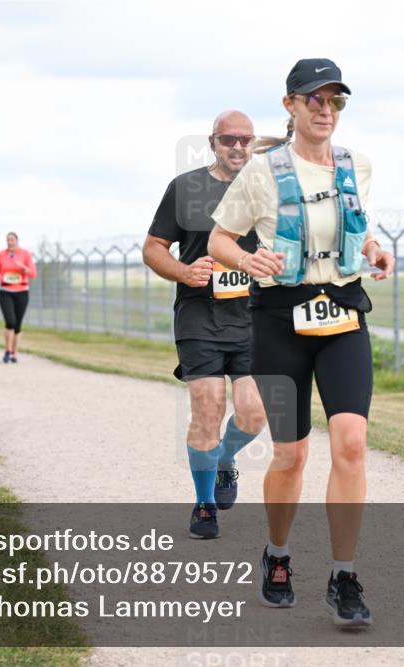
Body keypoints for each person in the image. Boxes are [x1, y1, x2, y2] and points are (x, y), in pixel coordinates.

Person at [209, 59, 395, 626]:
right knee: (291, 453)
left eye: (335, 100)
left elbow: (353, 230)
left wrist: (374, 251)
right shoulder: (262, 173)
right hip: (279, 323)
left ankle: (344, 574)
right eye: (314, 99)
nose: (325, 109)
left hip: (342, 318)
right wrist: (246, 257)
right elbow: (219, 238)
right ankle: (279, 555)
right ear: (290, 105)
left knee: (352, 443)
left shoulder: (355, 165)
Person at [144, 110, 267, 539]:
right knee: (209, 407)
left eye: (245, 140)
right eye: (228, 139)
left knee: (254, 413)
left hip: (254, 316)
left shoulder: (266, 190)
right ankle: (204, 504)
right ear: (213, 142)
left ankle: (224, 460)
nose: (237, 147)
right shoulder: (186, 188)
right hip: (199, 315)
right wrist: (182, 271)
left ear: (253, 144)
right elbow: (153, 246)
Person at [0, 232, 36, 363]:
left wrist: (23, 268)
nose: (10, 242)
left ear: (17, 240)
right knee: (10, 321)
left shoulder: (25, 254)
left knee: (17, 324)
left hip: (22, 291)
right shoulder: (1, 255)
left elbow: (33, 273)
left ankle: (14, 353)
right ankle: (7, 349)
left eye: (12, 239)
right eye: (8, 240)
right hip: (6, 291)